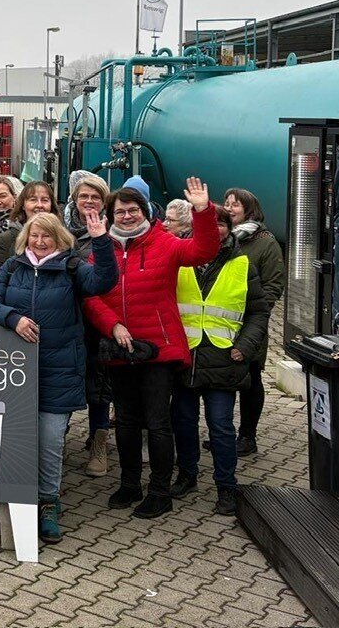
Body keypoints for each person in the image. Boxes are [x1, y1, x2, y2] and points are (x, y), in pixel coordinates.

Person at [0, 210, 119, 544]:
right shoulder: (13, 266)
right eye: (35, 235)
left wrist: (101, 241)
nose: (40, 242)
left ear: (59, 239)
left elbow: (104, 281)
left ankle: (48, 502)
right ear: (26, 238)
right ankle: (18, 502)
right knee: (17, 438)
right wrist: (13, 318)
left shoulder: (72, 267)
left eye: (47, 236)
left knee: (50, 440)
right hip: (15, 371)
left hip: (59, 369)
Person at [83, 178, 219, 519]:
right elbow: (90, 295)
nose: (127, 216)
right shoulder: (102, 248)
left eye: (133, 210)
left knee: (158, 422)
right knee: (126, 421)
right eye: (120, 212)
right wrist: (113, 325)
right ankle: (129, 484)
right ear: (110, 215)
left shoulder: (165, 242)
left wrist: (203, 211)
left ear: (145, 211)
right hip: (120, 346)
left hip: (158, 347)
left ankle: (160, 491)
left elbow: (203, 251)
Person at [170, 204, 271, 517]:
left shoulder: (241, 264)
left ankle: (226, 486)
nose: (215, 228)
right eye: (208, 223)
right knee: (183, 422)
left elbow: (258, 311)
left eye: (221, 223)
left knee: (221, 427)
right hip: (186, 357)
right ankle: (187, 475)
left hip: (224, 357)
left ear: (229, 228)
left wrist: (246, 346)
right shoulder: (180, 259)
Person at [222, 187, 286, 457]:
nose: (229, 208)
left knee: (251, 379)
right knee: (224, 379)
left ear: (249, 209)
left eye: (235, 204)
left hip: (250, 324)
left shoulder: (265, 242)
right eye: (226, 203)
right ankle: (223, 435)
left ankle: (247, 436)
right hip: (222, 322)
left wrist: (257, 313)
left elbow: (274, 285)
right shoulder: (224, 238)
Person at [62, 170, 115, 476]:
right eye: (84, 196)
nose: (89, 201)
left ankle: (98, 443)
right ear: (75, 198)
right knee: (64, 379)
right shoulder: (60, 228)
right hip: (65, 317)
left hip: (98, 319)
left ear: (104, 201)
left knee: (98, 385)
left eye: (96, 197)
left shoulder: (111, 230)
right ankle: (57, 438)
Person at [0, 181, 57, 278]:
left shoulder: (65, 239)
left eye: (45, 200)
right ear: (23, 205)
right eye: (33, 200)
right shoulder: (5, 240)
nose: (39, 205)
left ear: (51, 205)